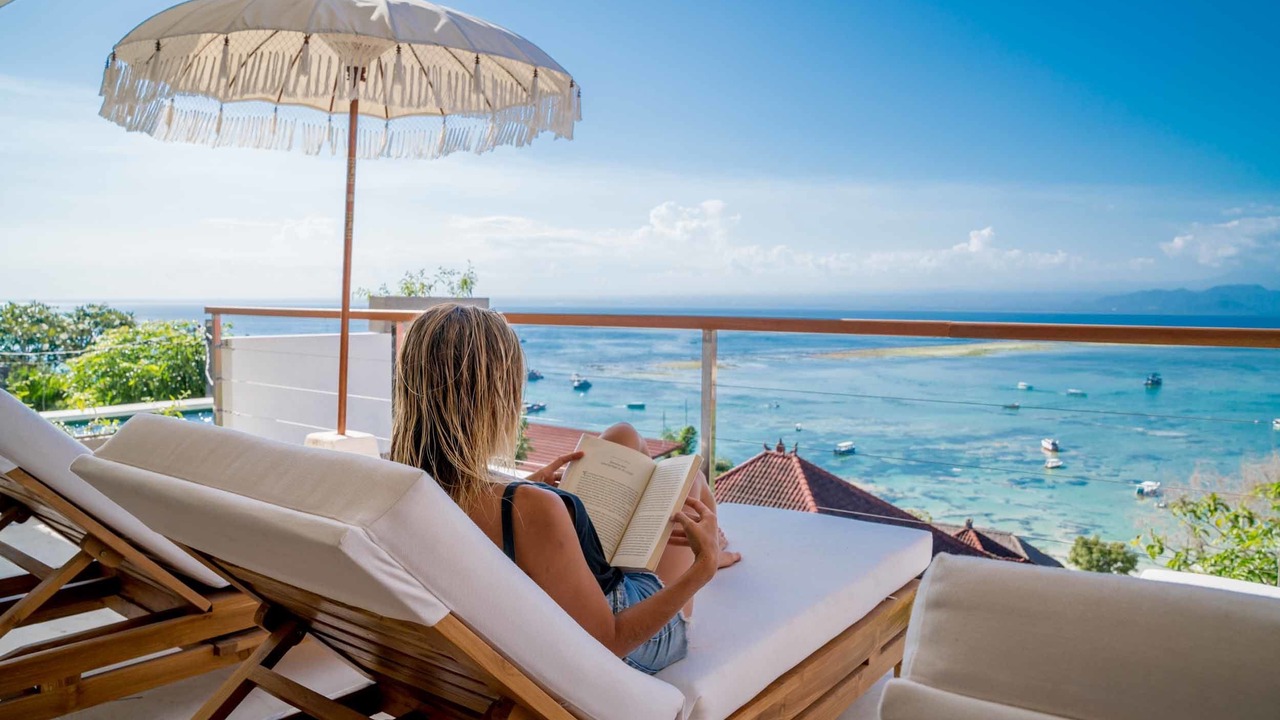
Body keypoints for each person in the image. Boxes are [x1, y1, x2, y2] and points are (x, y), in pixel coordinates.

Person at [390, 304, 739, 674]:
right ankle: (716, 547)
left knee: (624, 435)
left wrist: (524, 486)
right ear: (497, 399)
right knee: (690, 480)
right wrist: (703, 568)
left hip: (571, 588)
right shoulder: (529, 509)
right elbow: (610, 640)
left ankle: (709, 538)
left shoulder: (404, 487)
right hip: (634, 633)